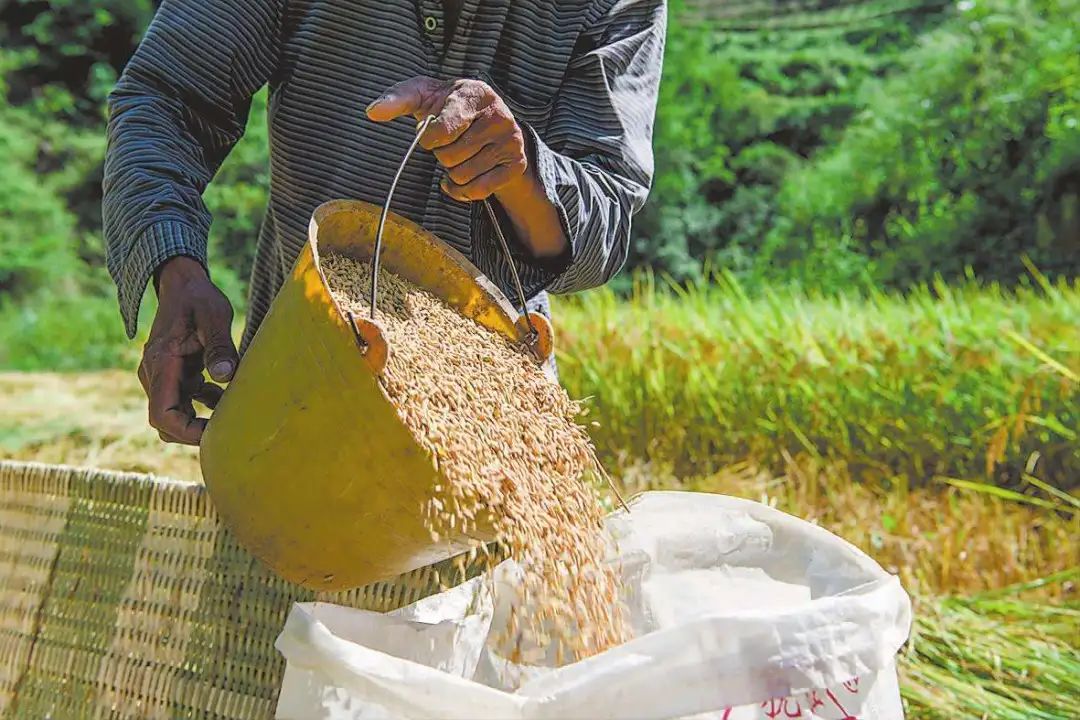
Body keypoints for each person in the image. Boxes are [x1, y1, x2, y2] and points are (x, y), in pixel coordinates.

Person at [103, 0, 666, 445]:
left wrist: (519, 172)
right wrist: (176, 273)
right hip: (291, 400)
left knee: (491, 586)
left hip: (492, 419)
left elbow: (603, 224)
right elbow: (165, 101)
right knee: (282, 571)